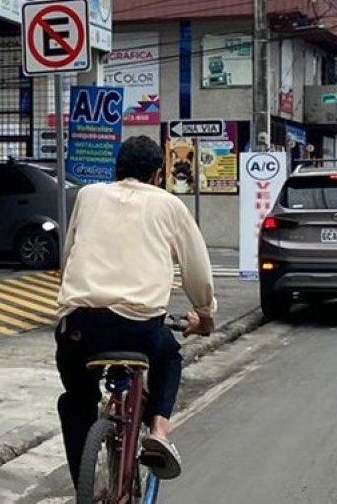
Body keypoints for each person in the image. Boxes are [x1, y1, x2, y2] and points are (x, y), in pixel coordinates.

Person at [55, 135, 216, 485]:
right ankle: (158, 431)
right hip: (140, 327)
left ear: (117, 171)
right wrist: (204, 315)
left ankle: (85, 485)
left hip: (80, 324)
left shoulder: (88, 195)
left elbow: (68, 257)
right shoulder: (169, 205)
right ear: (158, 175)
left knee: (76, 402)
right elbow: (197, 270)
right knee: (169, 356)